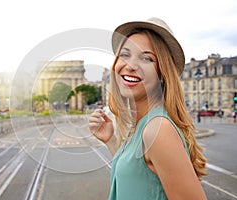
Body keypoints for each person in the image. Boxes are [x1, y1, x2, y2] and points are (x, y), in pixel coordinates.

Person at [89, 17, 207, 199]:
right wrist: (111, 141)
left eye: (146, 58)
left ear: (162, 74)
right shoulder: (145, 125)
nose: (130, 66)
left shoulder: (158, 129)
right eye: (125, 55)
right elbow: (139, 175)